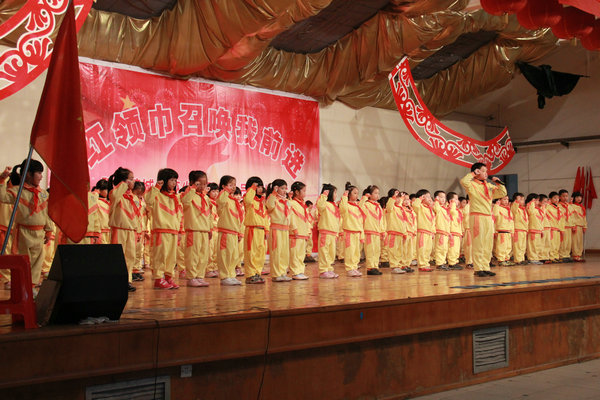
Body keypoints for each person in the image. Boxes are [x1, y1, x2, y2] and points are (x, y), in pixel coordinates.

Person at [0, 161, 54, 287]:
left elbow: (47, 214)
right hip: (23, 233)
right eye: (38, 173)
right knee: (23, 261)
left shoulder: (43, 194)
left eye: (41, 173)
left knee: (37, 262)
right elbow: (2, 197)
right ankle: (21, 286)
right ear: (28, 174)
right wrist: (2, 180)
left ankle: (32, 286)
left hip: (39, 233)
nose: (41, 176)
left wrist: (49, 230)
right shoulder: (17, 191)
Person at [459, 163, 507, 277]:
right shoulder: (472, 185)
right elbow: (463, 181)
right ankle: (478, 268)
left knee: (488, 243)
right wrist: (473, 174)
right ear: (477, 171)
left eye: (486, 171)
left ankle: (485, 267)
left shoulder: (489, 186)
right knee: (478, 243)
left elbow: (502, 193)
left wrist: (498, 183)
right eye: (483, 171)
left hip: (487, 217)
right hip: (477, 216)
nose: (486, 173)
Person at [145, 168, 182, 289]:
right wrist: (157, 186)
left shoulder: (175, 197)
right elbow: (148, 200)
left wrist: (179, 230)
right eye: (171, 180)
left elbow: (179, 215)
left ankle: (168, 277)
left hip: (173, 231)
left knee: (171, 257)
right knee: (160, 255)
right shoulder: (156, 194)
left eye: (175, 180)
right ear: (164, 180)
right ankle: (158, 278)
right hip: (161, 230)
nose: (174, 183)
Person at [108, 167, 138, 292]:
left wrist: (137, 230)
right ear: (124, 181)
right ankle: (116, 280)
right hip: (119, 229)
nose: (134, 181)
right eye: (131, 179)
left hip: (131, 230)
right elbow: (115, 195)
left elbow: (137, 215)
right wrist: (123, 184)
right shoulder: (115, 193)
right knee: (118, 256)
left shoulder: (133, 197)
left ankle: (127, 280)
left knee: (130, 256)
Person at [181, 170, 212, 287]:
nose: (203, 186)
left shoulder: (205, 198)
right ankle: (191, 277)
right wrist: (192, 188)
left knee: (203, 256)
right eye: (200, 183)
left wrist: (210, 228)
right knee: (192, 255)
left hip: (204, 230)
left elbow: (209, 215)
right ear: (192, 182)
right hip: (193, 230)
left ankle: (200, 276)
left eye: (205, 184)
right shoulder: (188, 194)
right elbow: (185, 202)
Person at [216, 175, 244, 285]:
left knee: (233, 255)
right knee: (225, 255)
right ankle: (225, 276)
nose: (233, 187)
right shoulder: (223, 197)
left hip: (234, 232)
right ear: (223, 186)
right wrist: (225, 191)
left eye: (234, 185)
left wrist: (239, 232)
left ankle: (231, 275)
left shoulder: (234, 201)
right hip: (226, 231)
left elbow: (238, 218)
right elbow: (221, 201)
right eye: (230, 185)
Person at [242, 177, 268, 284]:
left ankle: (257, 273)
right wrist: (252, 188)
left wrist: (267, 230)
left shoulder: (262, 202)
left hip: (261, 230)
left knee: (260, 253)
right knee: (251, 253)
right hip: (252, 229)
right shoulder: (248, 199)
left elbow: (265, 217)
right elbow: (248, 199)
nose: (260, 189)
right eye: (258, 187)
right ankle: (250, 275)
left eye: (261, 186)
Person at [266, 179, 292, 282]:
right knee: (276, 252)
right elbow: (270, 206)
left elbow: (289, 215)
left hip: (285, 229)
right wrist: (273, 193)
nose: (284, 191)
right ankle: (276, 274)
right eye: (282, 188)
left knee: (284, 253)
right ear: (276, 188)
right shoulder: (272, 198)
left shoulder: (287, 201)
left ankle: (283, 272)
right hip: (276, 229)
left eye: (285, 188)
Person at [339, 182, 365, 277]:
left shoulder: (357, 206)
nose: (356, 195)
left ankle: (354, 267)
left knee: (356, 252)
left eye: (357, 193)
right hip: (349, 232)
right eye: (354, 193)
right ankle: (350, 268)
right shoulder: (346, 205)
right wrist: (344, 196)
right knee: (350, 251)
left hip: (357, 232)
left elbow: (361, 221)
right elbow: (342, 208)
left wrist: (361, 233)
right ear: (349, 194)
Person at [316, 184, 341, 279]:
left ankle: (329, 269)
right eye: (335, 192)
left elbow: (337, 220)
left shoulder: (334, 205)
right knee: (324, 251)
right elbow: (320, 206)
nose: (336, 195)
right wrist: (323, 195)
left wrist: (337, 233)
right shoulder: (323, 203)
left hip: (333, 233)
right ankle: (323, 270)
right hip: (325, 231)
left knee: (331, 253)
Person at [360, 185, 384, 275]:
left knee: (377, 250)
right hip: (369, 230)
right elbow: (360, 207)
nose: (377, 195)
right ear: (370, 194)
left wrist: (382, 231)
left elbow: (381, 220)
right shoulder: (366, 204)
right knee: (370, 250)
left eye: (378, 193)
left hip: (377, 231)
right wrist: (364, 198)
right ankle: (370, 267)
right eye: (375, 193)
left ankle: (375, 266)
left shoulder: (378, 206)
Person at [289, 181, 311, 280]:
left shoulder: (303, 205)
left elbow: (307, 219)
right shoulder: (291, 203)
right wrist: (294, 229)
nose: (305, 193)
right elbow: (291, 217)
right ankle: (295, 272)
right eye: (303, 191)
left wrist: (308, 231)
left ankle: (300, 271)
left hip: (303, 233)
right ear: (297, 192)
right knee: (295, 254)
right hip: (295, 233)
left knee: (301, 254)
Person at [413, 189, 436, 272]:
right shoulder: (420, 207)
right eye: (427, 197)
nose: (430, 199)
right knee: (422, 249)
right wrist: (419, 199)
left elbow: (433, 222)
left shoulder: (430, 209)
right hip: (422, 232)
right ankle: (422, 265)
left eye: (430, 197)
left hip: (429, 232)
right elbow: (415, 206)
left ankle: (426, 264)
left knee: (428, 249)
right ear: (422, 198)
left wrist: (433, 232)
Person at [386, 189, 408, 275]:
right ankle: (394, 266)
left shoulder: (400, 208)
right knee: (393, 250)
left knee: (399, 251)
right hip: (393, 232)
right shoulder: (391, 208)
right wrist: (393, 197)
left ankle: (398, 265)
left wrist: (404, 233)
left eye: (399, 198)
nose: (398, 199)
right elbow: (389, 206)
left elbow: (403, 221)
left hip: (400, 233)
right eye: (396, 197)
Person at [492, 195, 514, 266]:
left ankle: (506, 259)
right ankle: (501, 259)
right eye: (504, 199)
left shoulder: (508, 209)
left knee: (508, 247)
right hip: (501, 230)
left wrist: (512, 231)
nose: (506, 201)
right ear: (499, 200)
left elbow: (511, 221)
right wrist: (496, 205)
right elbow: (495, 215)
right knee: (501, 246)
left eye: (507, 199)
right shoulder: (498, 208)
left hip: (508, 231)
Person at [432, 190, 451, 270]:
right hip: (440, 230)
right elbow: (436, 208)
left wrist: (449, 232)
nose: (443, 199)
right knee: (440, 248)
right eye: (441, 197)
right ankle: (439, 263)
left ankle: (442, 262)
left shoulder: (444, 209)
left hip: (445, 231)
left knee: (444, 248)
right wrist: (436, 201)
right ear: (436, 198)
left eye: (444, 197)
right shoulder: (436, 206)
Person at [131, 181, 146, 282]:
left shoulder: (142, 203)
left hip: (140, 229)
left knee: (138, 251)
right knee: (131, 252)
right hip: (132, 229)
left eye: (141, 193)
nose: (139, 195)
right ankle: (131, 271)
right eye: (137, 193)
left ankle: (136, 270)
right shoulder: (130, 199)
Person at [446, 192, 463, 270]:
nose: (457, 201)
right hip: (452, 231)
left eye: (457, 199)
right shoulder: (450, 208)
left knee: (456, 249)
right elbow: (452, 212)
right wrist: (452, 203)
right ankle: (452, 263)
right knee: (452, 248)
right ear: (450, 201)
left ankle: (455, 261)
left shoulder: (457, 210)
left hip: (457, 232)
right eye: (455, 199)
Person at [206, 182, 220, 278]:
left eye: (217, 191)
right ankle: (208, 269)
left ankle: (215, 267)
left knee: (216, 251)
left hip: (218, 230)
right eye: (213, 191)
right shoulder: (207, 202)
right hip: (211, 229)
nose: (215, 193)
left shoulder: (218, 203)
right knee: (209, 251)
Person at [526, 193, 544, 265]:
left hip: (538, 229)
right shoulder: (529, 206)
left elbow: (541, 219)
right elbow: (531, 212)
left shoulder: (538, 209)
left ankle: (536, 257)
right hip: (532, 229)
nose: (538, 202)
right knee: (532, 245)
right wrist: (532, 202)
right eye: (536, 200)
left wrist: (541, 229)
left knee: (537, 245)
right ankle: (532, 258)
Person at [510, 192, 528, 265]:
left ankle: (522, 258)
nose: (522, 201)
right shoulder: (514, 208)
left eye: (523, 199)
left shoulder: (523, 209)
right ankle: (518, 259)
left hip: (524, 229)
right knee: (518, 245)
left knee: (523, 246)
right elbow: (514, 208)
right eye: (520, 199)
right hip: (518, 229)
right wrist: (516, 202)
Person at [92, 179, 111, 244]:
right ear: (100, 190)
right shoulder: (96, 201)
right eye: (106, 189)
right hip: (101, 232)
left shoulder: (109, 202)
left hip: (109, 231)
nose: (108, 192)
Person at [557, 189, 574, 262]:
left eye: (566, 196)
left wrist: (573, 225)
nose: (565, 198)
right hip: (563, 226)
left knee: (568, 242)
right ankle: (562, 255)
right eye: (563, 196)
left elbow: (572, 216)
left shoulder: (569, 206)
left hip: (569, 226)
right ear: (560, 197)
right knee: (563, 242)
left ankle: (567, 255)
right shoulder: (558, 205)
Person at [570, 192, 587, 262]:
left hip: (581, 226)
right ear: (573, 198)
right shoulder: (572, 206)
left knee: (580, 241)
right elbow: (571, 217)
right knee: (575, 241)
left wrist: (585, 226)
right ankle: (575, 255)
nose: (579, 198)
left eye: (580, 197)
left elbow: (584, 217)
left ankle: (579, 255)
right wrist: (573, 225)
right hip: (576, 225)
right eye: (577, 197)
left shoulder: (581, 207)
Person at [546, 192, 562, 263]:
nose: (557, 199)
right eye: (555, 198)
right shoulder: (548, 207)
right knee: (552, 244)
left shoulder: (558, 207)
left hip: (557, 228)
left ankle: (556, 256)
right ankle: (551, 257)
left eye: (558, 198)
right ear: (550, 199)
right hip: (552, 228)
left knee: (557, 244)